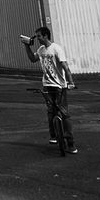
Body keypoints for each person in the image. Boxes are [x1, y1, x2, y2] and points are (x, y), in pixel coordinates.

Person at [22, 25, 77, 153]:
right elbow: (32, 59)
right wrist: (27, 46)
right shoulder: (41, 50)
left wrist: (71, 82)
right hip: (47, 85)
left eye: (39, 36)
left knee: (64, 113)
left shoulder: (56, 49)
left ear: (46, 35)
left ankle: (70, 142)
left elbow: (65, 67)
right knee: (51, 111)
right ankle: (54, 135)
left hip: (59, 86)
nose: (38, 39)